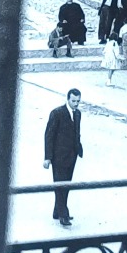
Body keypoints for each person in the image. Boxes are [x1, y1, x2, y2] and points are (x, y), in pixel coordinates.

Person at [44, 87, 83, 224]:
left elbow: (76, 133)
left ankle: (57, 211)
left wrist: (78, 148)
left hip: (72, 155)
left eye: (78, 101)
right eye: (73, 101)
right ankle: (63, 215)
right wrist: (48, 157)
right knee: (60, 185)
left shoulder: (78, 114)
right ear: (68, 99)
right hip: (58, 156)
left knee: (66, 185)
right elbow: (49, 135)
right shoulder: (57, 113)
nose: (76, 104)